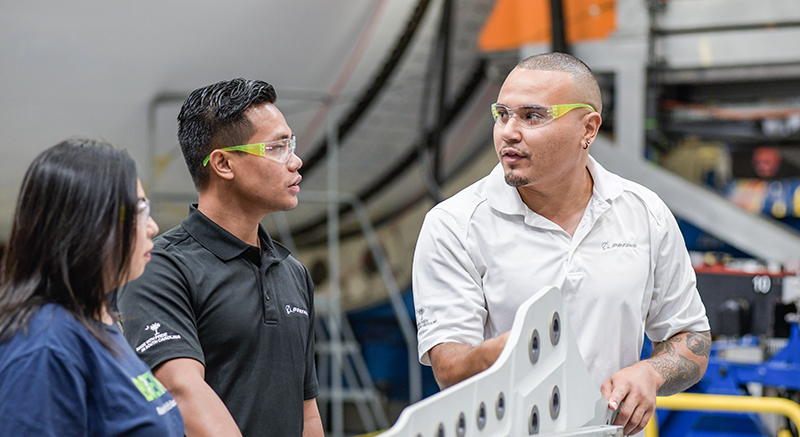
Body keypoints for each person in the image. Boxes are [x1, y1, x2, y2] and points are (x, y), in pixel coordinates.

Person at [412, 52, 711, 436]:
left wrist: (650, 373)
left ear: (588, 128)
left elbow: (692, 338)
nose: (509, 132)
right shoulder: (455, 225)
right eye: (502, 114)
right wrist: (520, 350)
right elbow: (450, 369)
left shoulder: (644, 214)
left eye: (532, 116)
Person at [117, 78, 323, 437]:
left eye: (290, 144)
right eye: (276, 147)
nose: (295, 160)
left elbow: (306, 412)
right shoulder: (161, 268)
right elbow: (182, 393)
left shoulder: (293, 274)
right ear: (223, 164)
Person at [0, 139, 183, 436]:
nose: (152, 227)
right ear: (91, 223)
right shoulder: (43, 344)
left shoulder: (97, 321)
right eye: (139, 210)